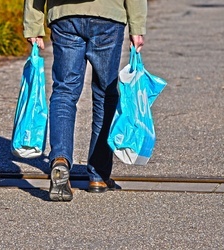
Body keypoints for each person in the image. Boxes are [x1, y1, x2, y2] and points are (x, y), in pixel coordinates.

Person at [23, 0, 147, 201]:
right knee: (105, 94)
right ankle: (98, 175)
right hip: (108, 15)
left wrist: (33, 23)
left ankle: (60, 160)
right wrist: (137, 26)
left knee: (64, 91)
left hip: (64, 14)